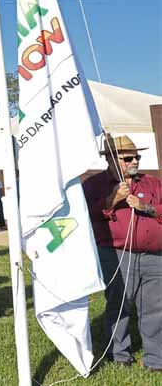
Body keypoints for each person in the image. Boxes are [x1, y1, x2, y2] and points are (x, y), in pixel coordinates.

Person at [84, 134, 161, 372]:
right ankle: (119, 355)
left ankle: (155, 359)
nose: (134, 161)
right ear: (110, 159)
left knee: (155, 309)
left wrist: (146, 207)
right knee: (119, 305)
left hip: (154, 256)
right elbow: (88, 215)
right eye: (128, 158)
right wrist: (113, 198)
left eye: (136, 157)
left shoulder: (152, 183)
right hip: (117, 254)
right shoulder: (94, 184)